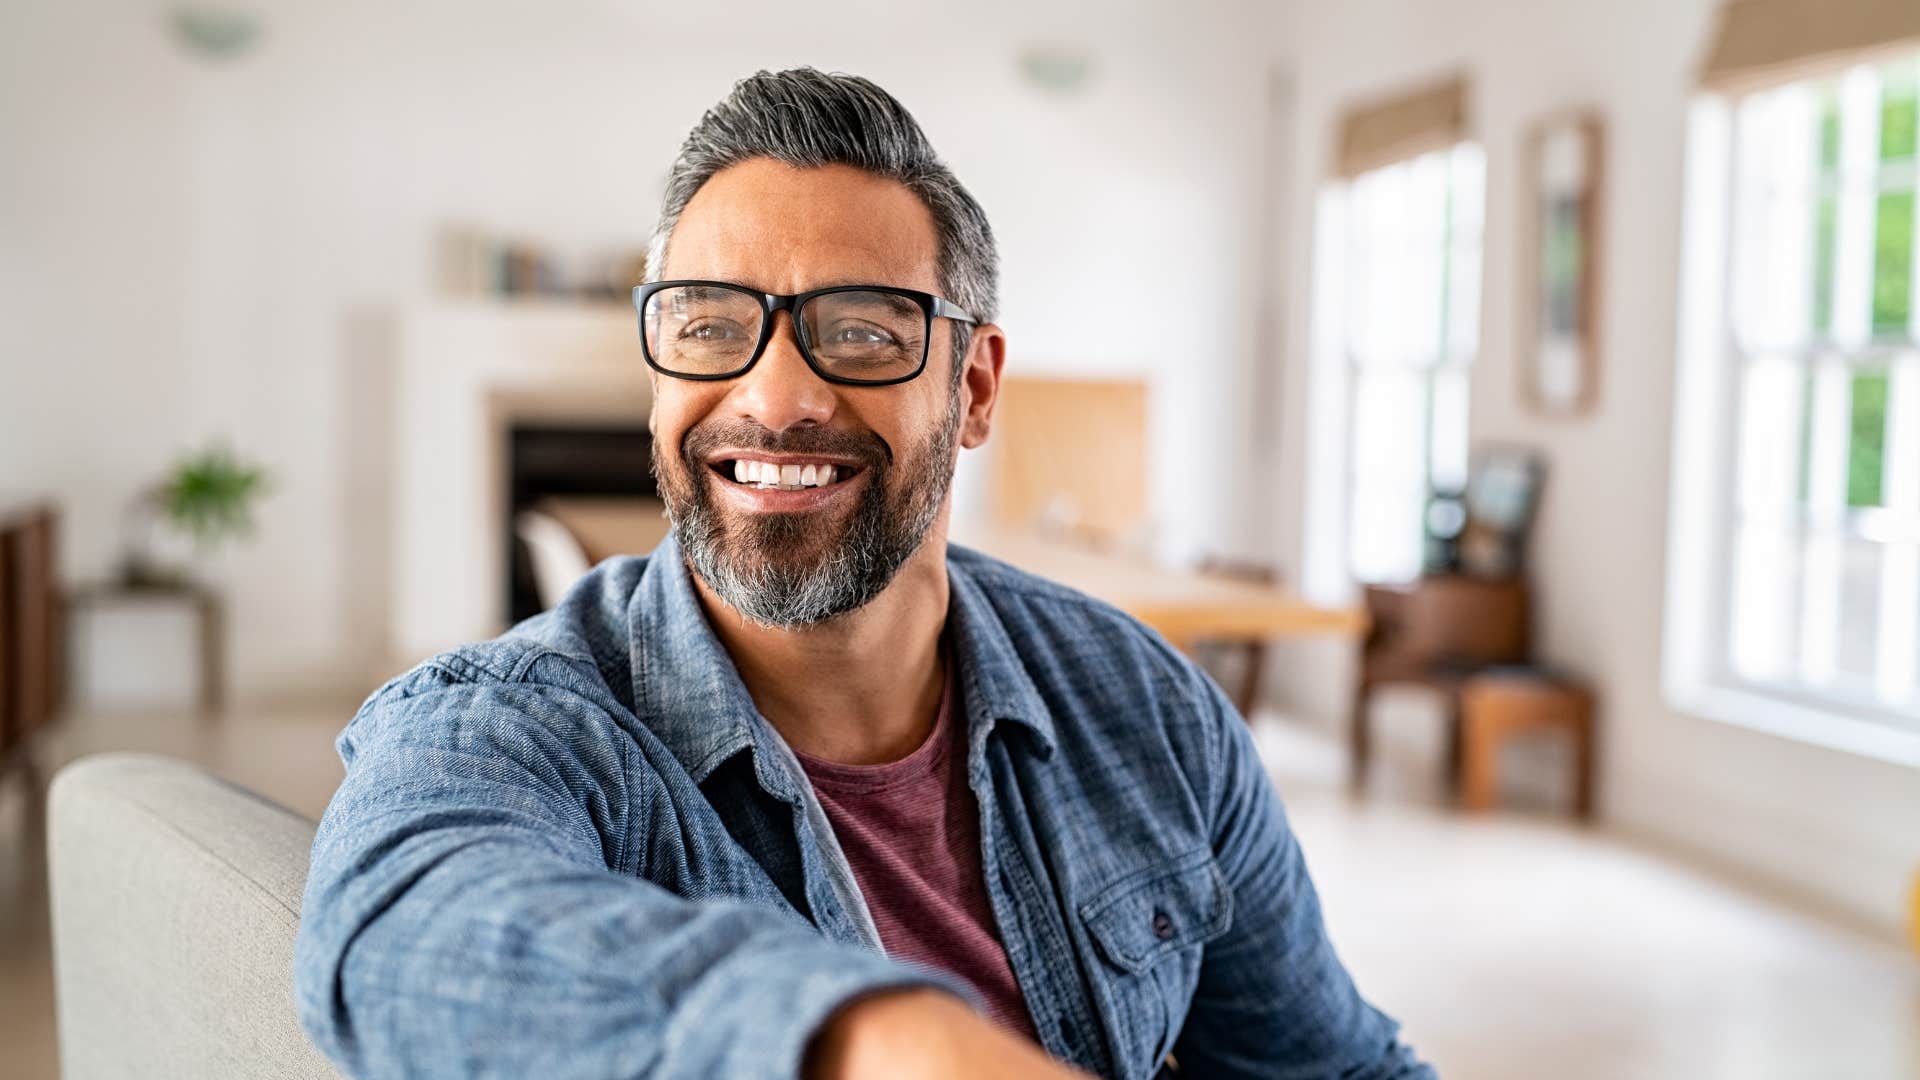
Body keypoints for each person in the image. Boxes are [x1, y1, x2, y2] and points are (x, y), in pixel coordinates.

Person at [294, 67, 1433, 1080]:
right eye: (706, 324)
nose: (776, 398)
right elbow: (397, 930)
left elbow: (1335, 1065)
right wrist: (879, 1041)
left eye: (865, 331)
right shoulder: (518, 726)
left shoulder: (1145, 707)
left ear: (974, 388)